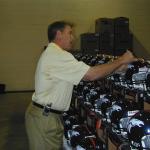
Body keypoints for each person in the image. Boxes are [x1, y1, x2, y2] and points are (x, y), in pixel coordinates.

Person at [25, 21, 137, 150]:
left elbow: (87, 73)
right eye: (70, 33)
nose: (73, 38)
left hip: (48, 115)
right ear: (59, 34)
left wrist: (116, 69)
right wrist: (122, 60)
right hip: (45, 117)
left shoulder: (54, 54)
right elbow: (91, 75)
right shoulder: (57, 55)